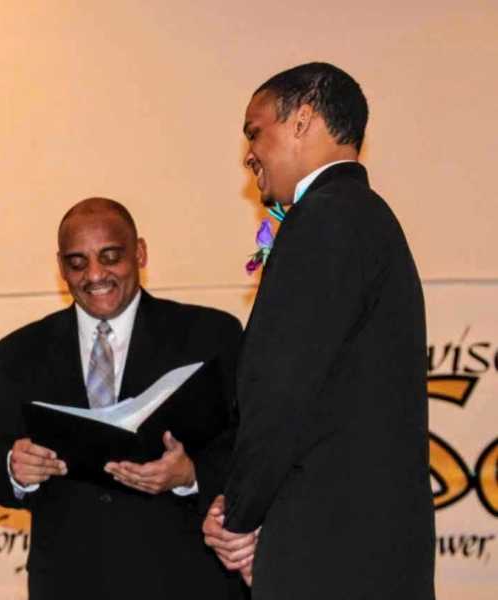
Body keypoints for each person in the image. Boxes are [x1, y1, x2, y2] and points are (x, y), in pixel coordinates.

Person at [202, 63, 435, 599]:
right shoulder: (365, 217)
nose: (249, 154)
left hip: (332, 553)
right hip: (369, 547)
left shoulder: (326, 219)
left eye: (255, 131)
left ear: (303, 120)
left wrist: (237, 515)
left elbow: (281, 391)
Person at [0, 197, 245, 599]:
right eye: (78, 263)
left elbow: (249, 450)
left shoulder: (209, 334)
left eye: (111, 256)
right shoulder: (20, 352)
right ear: (61, 266)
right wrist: (15, 466)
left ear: (140, 252)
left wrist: (190, 476)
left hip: (183, 579)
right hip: (71, 581)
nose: (95, 274)